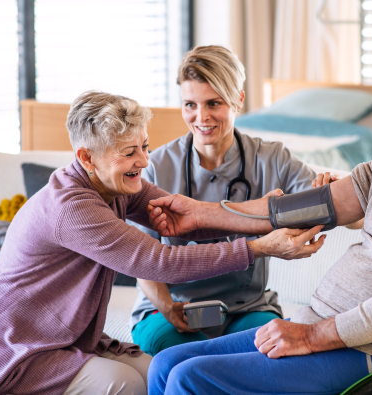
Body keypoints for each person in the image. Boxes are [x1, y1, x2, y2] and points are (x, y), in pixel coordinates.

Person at [145, 41, 372, 394]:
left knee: (191, 379)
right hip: (322, 325)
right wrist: (197, 213)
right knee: (166, 365)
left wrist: (309, 336)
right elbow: (294, 210)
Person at [0, 91, 325, 395]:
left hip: (55, 335)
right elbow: (159, 263)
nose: (143, 159)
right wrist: (260, 247)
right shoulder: (72, 206)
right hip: (9, 342)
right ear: (87, 157)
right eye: (129, 152)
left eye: (145, 145)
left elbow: (189, 218)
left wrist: (265, 216)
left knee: (162, 368)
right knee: (129, 384)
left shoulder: (118, 185)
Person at [130, 45, 318, 356]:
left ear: (238, 99)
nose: (201, 117)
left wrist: (331, 192)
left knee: (265, 353)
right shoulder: (155, 167)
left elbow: (329, 205)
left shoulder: (272, 159)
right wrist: (168, 308)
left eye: (213, 103)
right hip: (170, 306)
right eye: (190, 104)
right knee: (178, 356)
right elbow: (139, 258)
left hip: (247, 307)